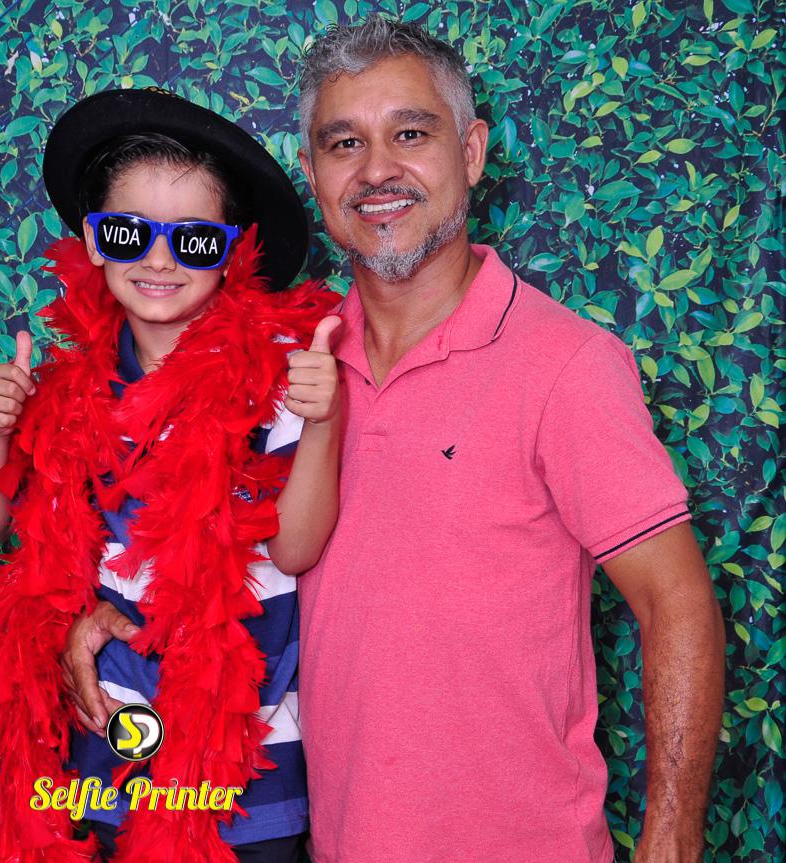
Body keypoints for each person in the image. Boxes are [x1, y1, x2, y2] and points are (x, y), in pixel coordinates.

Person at [61, 18, 726, 863]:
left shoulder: (565, 365)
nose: (376, 170)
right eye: (345, 143)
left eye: (410, 133)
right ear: (313, 175)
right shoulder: (279, 370)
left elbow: (676, 603)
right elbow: (195, 549)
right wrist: (103, 620)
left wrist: (670, 841)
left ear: (472, 153)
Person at [0, 88, 344, 862]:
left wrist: (323, 420)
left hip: (239, 777)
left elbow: (294, 548)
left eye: (193, 240)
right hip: (101, 758)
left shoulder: (278, 385)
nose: (159, 260)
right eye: (129, 233)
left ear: (232, 252)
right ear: (94, 241)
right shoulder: (70, 392)